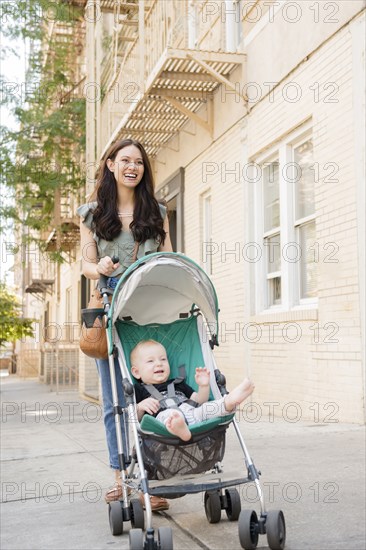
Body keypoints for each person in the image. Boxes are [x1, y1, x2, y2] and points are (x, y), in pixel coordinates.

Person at [77, 138, 172, 509]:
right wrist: (97, 267)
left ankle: (151, 480)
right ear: (112, 165)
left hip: (148, 311)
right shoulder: (91, 213)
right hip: (109, 310)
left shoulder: (157, 211)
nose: (133, 167)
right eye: (125, 160)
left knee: (154, 394)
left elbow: (167, 258)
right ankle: (121, 477)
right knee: (115, 400)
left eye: (139, 162)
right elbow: (84, 265)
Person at [131, 340, 255, 441]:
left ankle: (228, 401)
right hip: (162, 420)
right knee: (172, 417)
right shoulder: (139, 390)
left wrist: (204, 386)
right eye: (150, 361)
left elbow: (199, 400)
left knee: (206, 409)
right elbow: (134, 417)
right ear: (136, 372)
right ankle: (178, 426)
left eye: (163, 359)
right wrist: (140, 407)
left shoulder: (178, 383)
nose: (159, 364)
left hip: (190, 411)